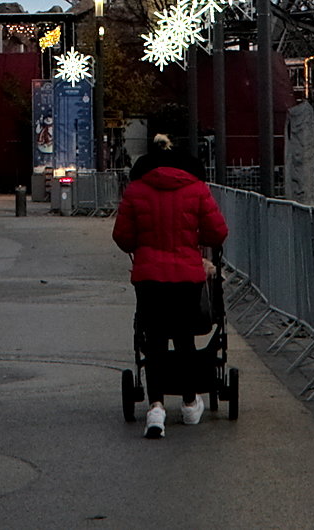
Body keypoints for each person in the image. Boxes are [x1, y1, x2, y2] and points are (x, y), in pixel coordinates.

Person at [111, 137, 227, 438]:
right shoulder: (197, 189)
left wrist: (142, 247)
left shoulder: (136, 190)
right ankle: (189, 404)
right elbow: (218, 232)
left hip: (149, 276)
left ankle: (156, 408)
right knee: (185, 338)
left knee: (154, 340)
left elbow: (122, 235)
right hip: (186, 276)